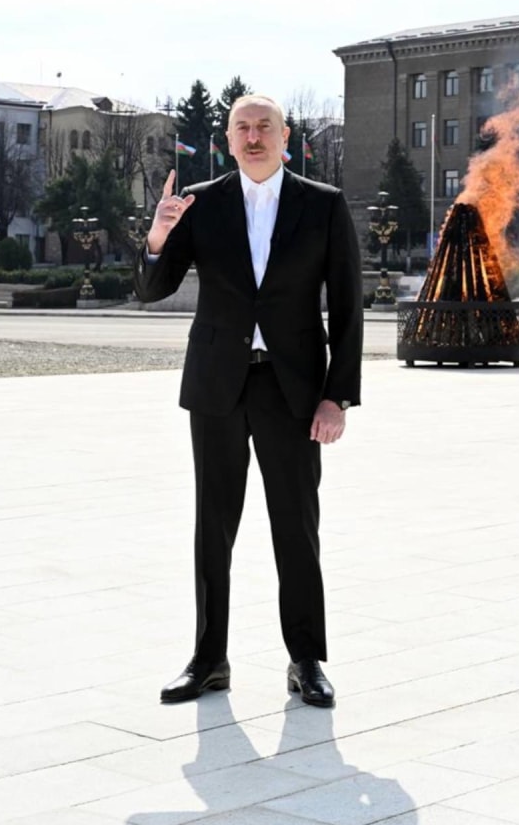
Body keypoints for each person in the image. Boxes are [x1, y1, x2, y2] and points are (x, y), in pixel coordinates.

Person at [134, 94, 363, 708]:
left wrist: (337, 397)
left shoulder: (322, 204)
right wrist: (158, 234)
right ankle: (209, 660)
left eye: (265, 127)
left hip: (292, 390)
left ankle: (306, 660)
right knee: (212, 527)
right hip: (217, 385)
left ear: (286, 138)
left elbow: (348, 307)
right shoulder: (200, 203)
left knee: (297, 527)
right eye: (243, 128)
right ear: (229, 139)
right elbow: (152, 289)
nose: (254, 137)